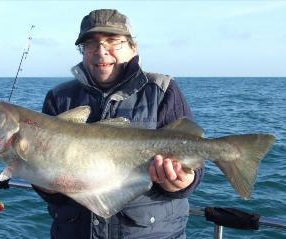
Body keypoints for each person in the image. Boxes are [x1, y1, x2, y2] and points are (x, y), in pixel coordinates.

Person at [33, 9, 203, 239]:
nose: (101, 51)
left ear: (133, 47)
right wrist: (46, 184)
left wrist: (181, 183)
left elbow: (195, 168)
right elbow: (53, 194)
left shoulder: (163, 90)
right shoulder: (59, 98)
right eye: (91, 44)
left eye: (113, 41)